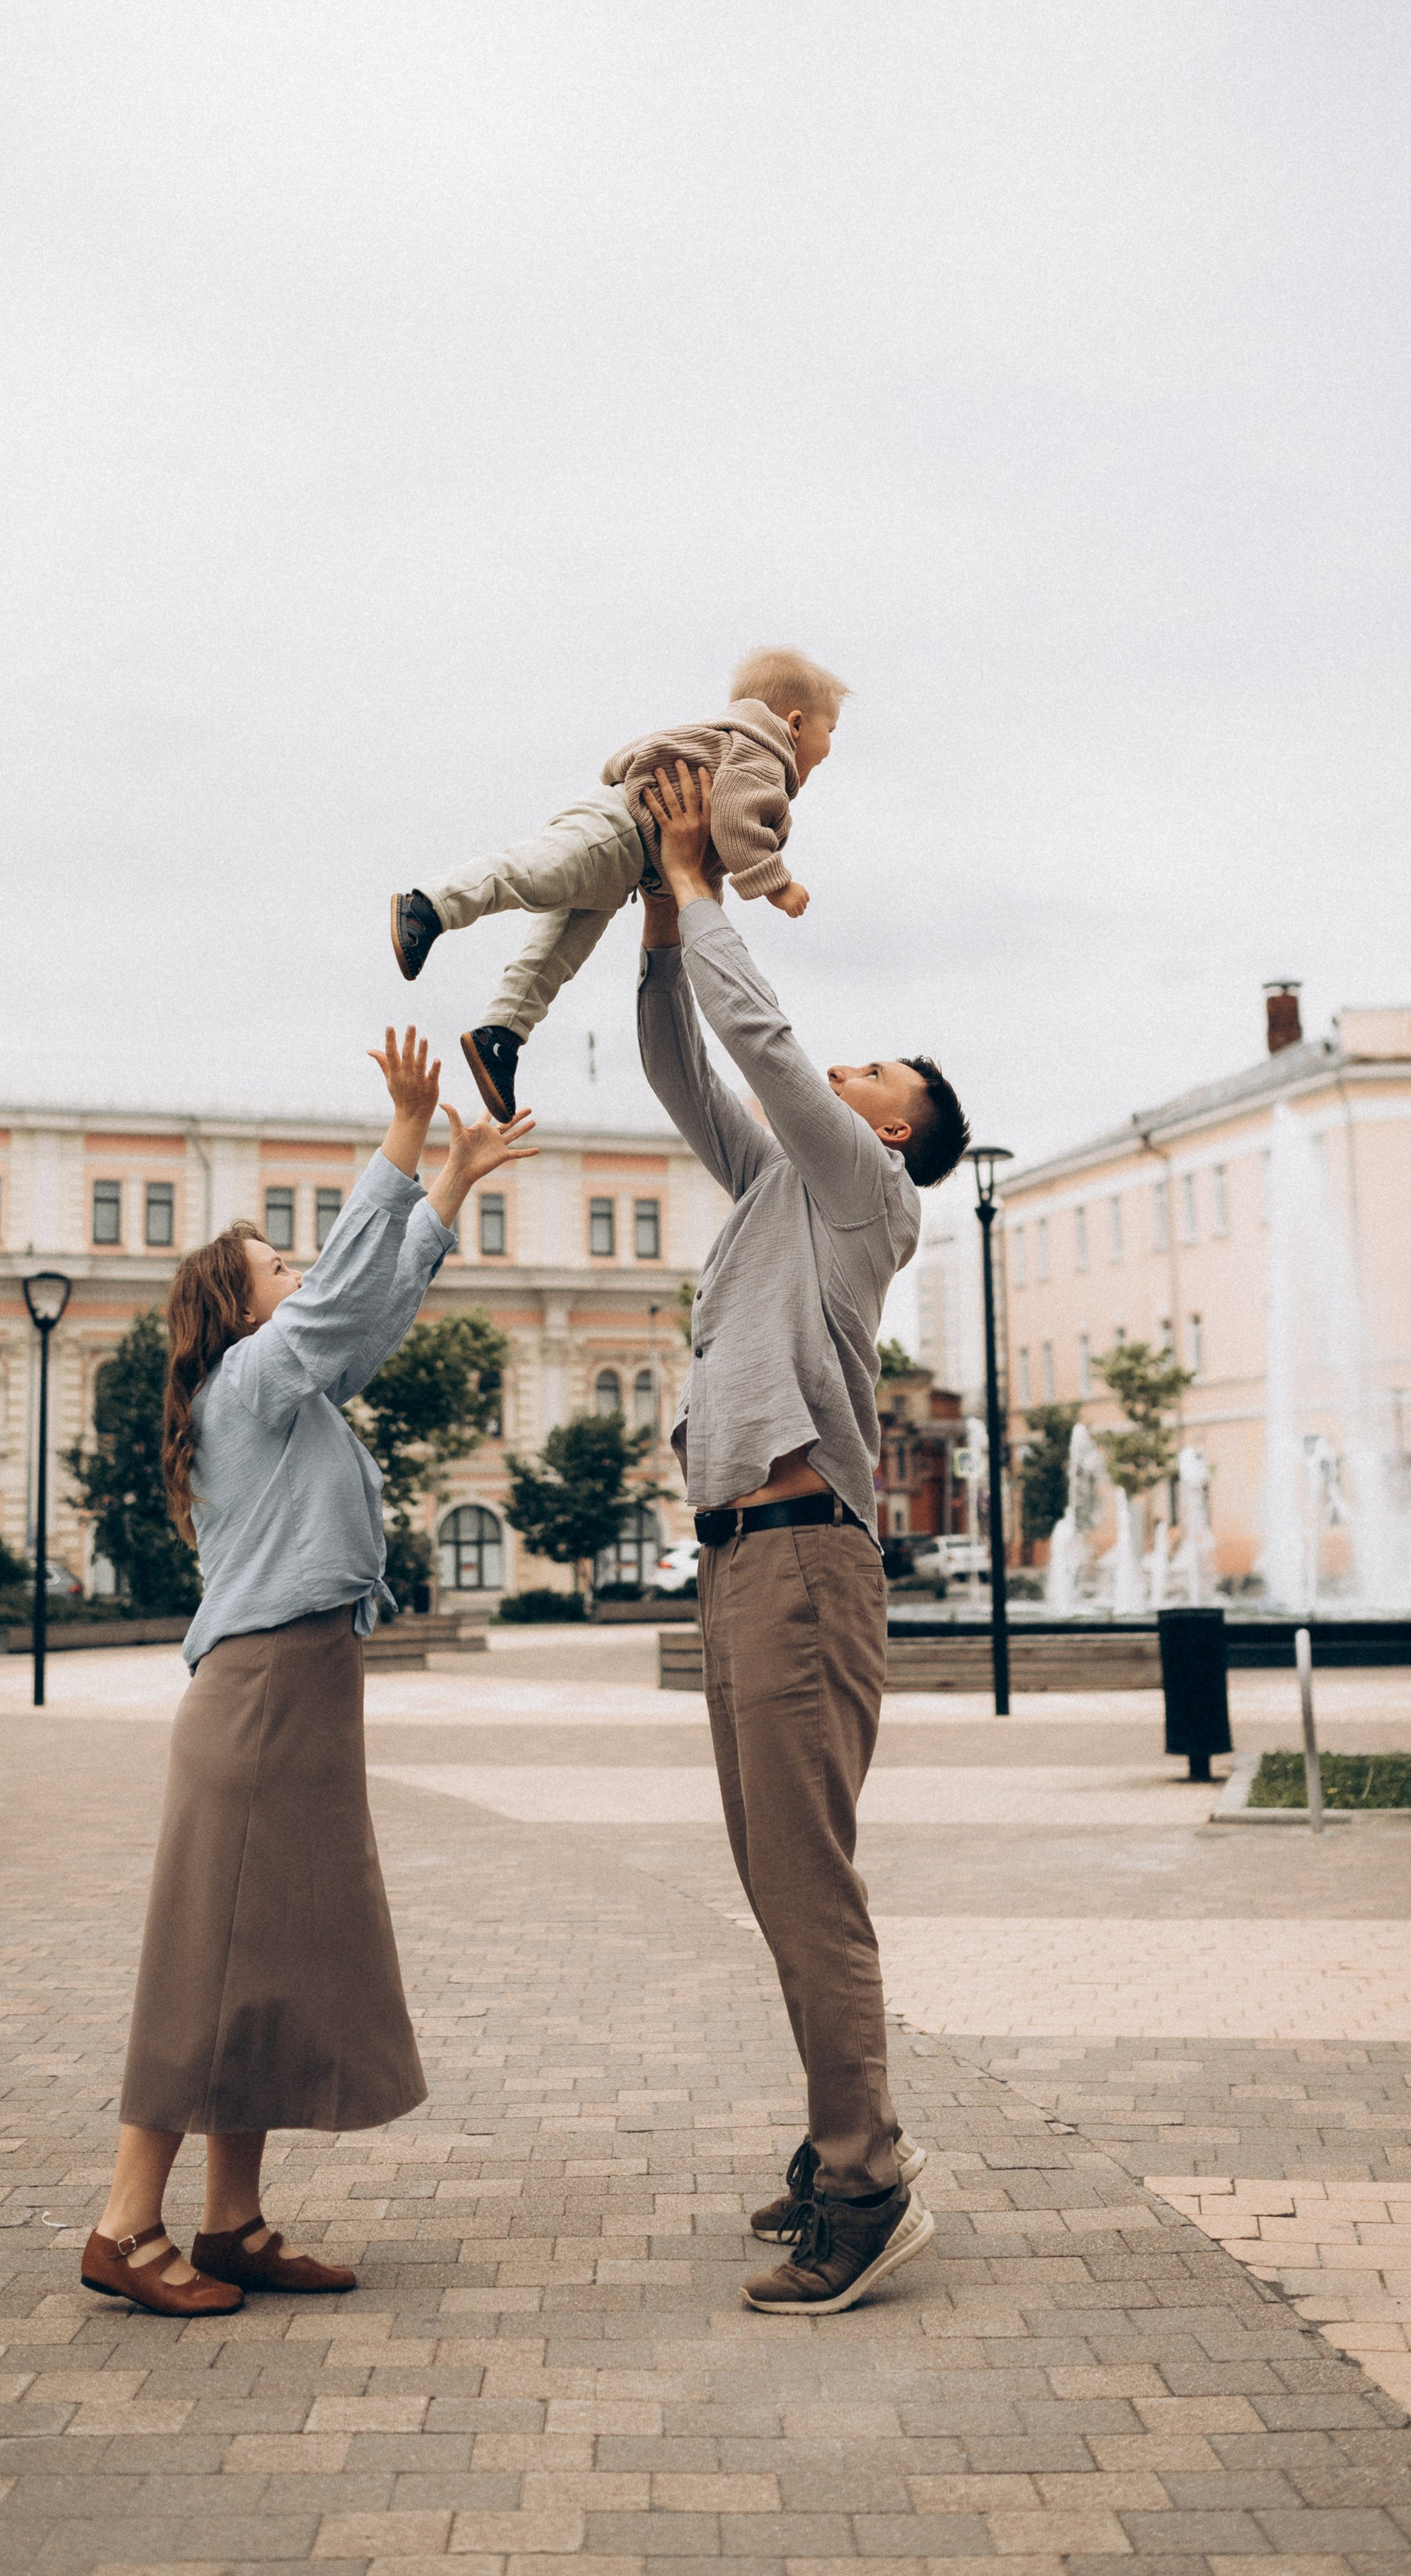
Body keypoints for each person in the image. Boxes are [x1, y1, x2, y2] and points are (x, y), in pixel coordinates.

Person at [80, 1029, 535, 2316]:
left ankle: (231, 2221)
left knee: (267, 1959)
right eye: (278, 1263)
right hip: (264, 1693)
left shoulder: (296, 1390)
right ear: (239, 1304)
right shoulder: (250, 1380)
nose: (300, 1272)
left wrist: (448, 1185)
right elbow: (345, 1294)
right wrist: (402, 1135)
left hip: (304, 1687)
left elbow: (367, 1314)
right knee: (204, 1957)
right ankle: (125, 2222)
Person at [634, 758, 970, 2317]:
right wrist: (652, 910)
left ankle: (867, 2179)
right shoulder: (781, 1184)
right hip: (740, 1559)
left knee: (807, 1878)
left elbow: (755, 1041)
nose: (840, 1073)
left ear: (897, 1134)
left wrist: (705, 879)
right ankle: (837, 2143)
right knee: (774, 1875)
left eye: (870, 1072)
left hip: (801, 1559)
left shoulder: (860, 1193)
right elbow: (690, 1069)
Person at [389, 645, 848, 1124]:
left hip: (628, 849)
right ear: (794, 724)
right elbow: (734, 822)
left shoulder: (719, 741)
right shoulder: (763, 753)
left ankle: (500, 1037)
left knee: (557, 952)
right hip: (621, 830)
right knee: (532, 875)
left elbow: (633, 761)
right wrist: (776, 884)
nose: (831, 745)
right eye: (830, 729)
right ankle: (428, 906)